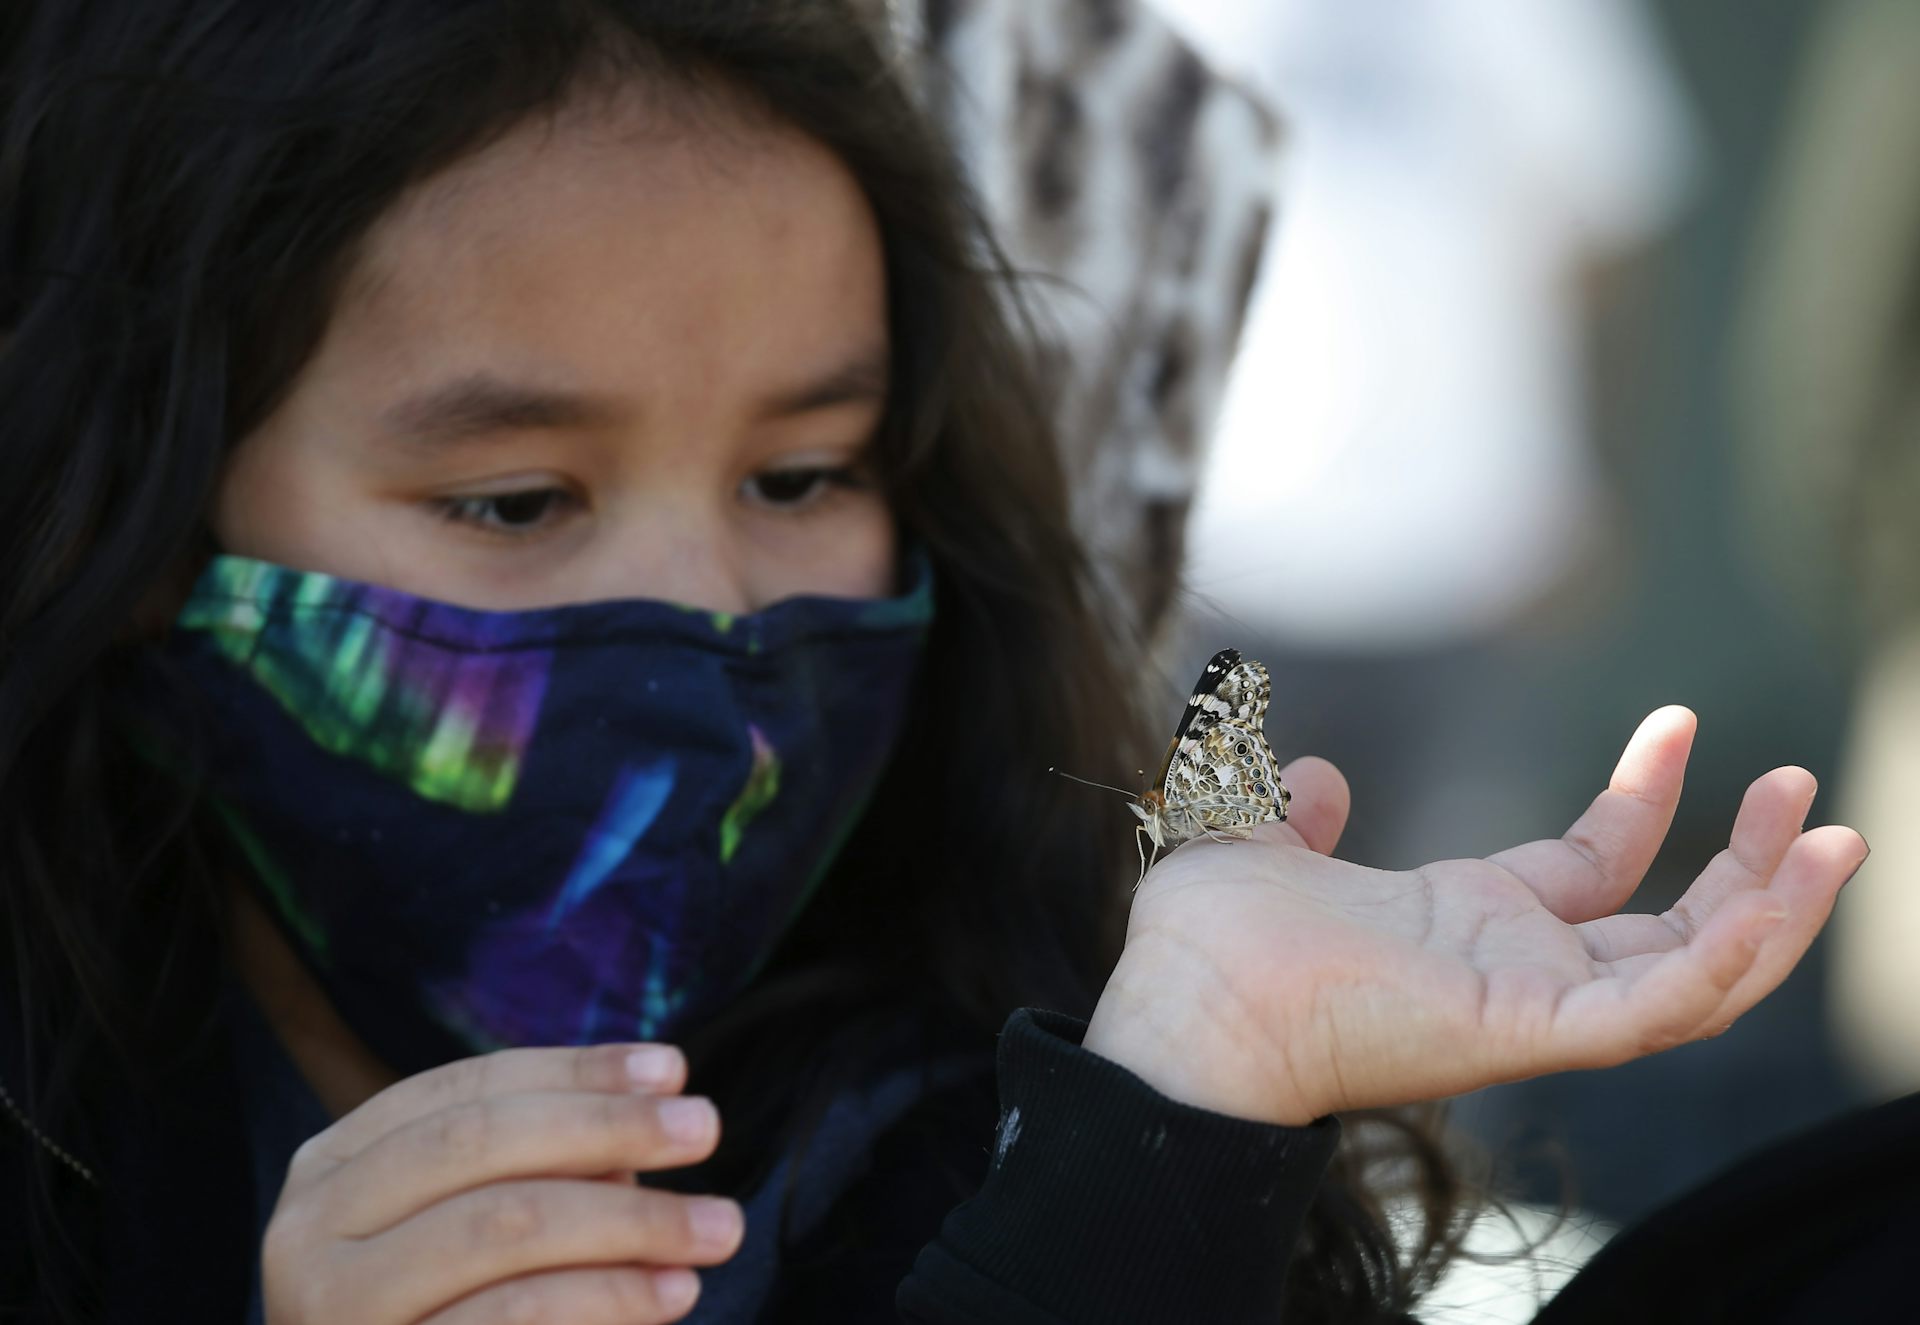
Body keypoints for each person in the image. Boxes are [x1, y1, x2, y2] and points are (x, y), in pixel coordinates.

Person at [0, 3, 1865, 1322]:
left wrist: (1169, 1120)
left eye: (805, 472)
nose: (712, 607)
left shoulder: (982, 1104)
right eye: (512, 500)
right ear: (143, 517)